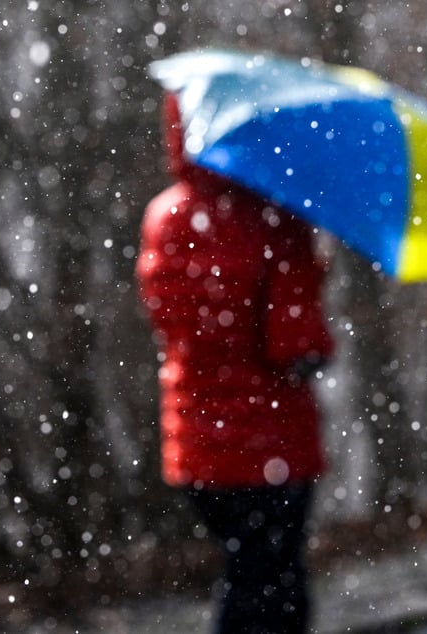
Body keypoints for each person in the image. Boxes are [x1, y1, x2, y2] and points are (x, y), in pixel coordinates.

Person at [136, 93, 334, 634]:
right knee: (277, 585)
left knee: (245, 572)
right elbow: (298, 349)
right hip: (270, 442)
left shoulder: (164, 217)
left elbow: (176, 322)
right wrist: (310, 268)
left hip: (197, 443)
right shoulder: (273, 218)